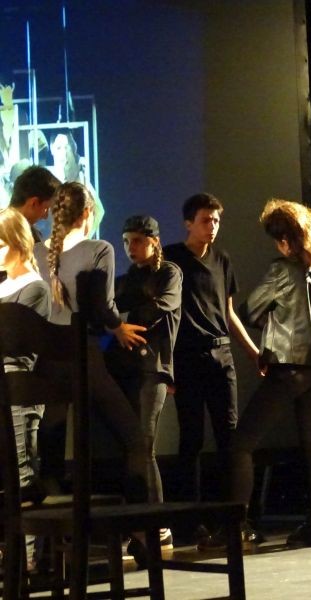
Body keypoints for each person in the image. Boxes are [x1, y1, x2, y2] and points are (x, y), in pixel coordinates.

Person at [32, 182, 149, 507]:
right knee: (134, 441)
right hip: (83, 354)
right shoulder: (99, 249)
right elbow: (101, 306)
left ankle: (54, 531)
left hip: (47, 358)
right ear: (87, 213)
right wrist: (118, 327)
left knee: (51, 451)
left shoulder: (38, 252)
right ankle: (141, 526)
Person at [231, 198, 311, 547]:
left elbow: (250, 310)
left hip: (288, 365)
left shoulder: (281, 270)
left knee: (242, 443)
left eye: (277, 240)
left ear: (286, 241)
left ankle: (238, 526)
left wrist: (269, 328)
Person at [163, 193, 260, 548]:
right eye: (206, 220)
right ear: (189, 223)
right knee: (191, 438)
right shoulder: (172, 259)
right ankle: (189, 522)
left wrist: (253, 352)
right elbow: (164, 314)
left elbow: (228, 312)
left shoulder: (222, 259)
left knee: (228, 437)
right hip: (187, 358)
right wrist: (165, 365)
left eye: (216, 220)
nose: (213, 226)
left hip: (221, 355)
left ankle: (230, 520)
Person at [106, 215, 182, 549]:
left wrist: (123, 320)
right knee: (131, 447)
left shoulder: (169, 273)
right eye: (126, 241)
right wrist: (115, 323)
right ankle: (135, 524)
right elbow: (107, 311)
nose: (130, 248)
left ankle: (159, 526)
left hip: (152, 368)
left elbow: (159, 308)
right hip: (123, 369)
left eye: (136, 240)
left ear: (154, 240)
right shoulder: (126, 279)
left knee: (144, 445)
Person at [0, 206, 51, 570]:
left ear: (19, 242)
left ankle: (30, 558)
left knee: (23, 470)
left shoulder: (35, 288)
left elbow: (16, 344)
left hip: (20, 391)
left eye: (0, 243)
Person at [48, 132, 104, 238]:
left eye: (66, 147)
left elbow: (99, 210)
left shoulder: (80, 178)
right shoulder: (47, 178)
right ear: (52, 148)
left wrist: (86, 236)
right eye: (59, 148)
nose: (63, 152)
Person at [8, 165, 60, 243]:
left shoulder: (29, 233)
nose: (45, 216)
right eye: (46, 208)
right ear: (34, 203)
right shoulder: (7, 236)